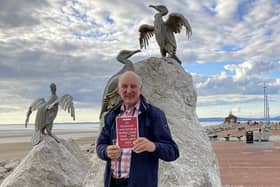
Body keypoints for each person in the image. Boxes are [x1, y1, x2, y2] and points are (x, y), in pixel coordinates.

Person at [96, 71, 179, 187]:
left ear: (141, 88)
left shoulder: (154, 115)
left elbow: (173, 152)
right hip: (113, 183)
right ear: (119, 90)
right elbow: (100, 146)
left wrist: (152, 146)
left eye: (133, 86)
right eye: (124, 86)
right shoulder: (112, 115)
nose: (129, 91)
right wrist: (106, 151)